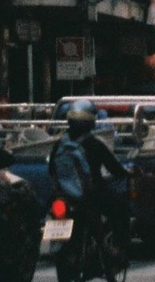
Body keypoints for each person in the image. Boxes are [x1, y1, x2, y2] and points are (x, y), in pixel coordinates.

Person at [50, 98, 131, 255]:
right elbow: (115, 169)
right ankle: (118, 249)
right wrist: (126, 173)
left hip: (63, 195)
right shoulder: (95, 144)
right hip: (91, 195)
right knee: (121, 207)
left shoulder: (59, 144)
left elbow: (51, 170)